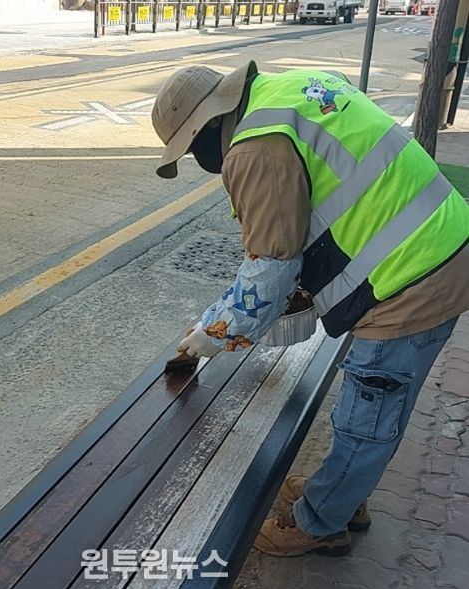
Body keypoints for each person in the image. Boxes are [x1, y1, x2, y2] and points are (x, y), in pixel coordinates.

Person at [151, 61, 469, 556]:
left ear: (208, 127)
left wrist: (210, 335)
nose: (198, 160)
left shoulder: (255, 147)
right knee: (371, 407)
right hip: (433, 242)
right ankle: (342, 492)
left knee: (367, 415)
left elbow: (270, 272)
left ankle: (321, 523)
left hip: (413, 277)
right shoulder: (288, 89)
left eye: (191, 149)